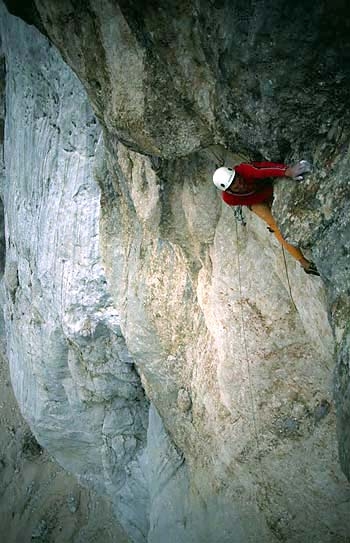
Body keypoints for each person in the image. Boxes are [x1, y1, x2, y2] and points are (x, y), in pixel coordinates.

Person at [212, 160, 319, 276]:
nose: (240, 184)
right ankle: (304, 262)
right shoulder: (229, 199)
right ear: (229, 191)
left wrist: (287, 171)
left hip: (266, 188)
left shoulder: (245, 170)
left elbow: (263, 170)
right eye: (235, 186)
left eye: (237, 179)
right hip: (255, 201)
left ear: (237, 174)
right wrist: (267, 204)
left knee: (276, 221)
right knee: (275, 224)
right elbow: (248, 200)